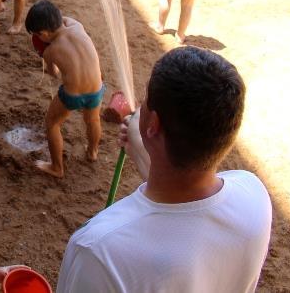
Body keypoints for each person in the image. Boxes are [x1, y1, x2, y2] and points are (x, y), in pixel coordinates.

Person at [56, 47, 272, 293]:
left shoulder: (98, 251)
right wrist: (143, 148)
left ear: (154, 124)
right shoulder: (254, 195)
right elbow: (188, 206)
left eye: (146, 99)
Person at [24, 0, 104, 179]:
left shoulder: (50, 51)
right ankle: (92, 152)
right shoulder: (77, 26)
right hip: (96, 89)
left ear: (43, 34)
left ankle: (56, 167)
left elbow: (53, 73)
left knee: (52, 123)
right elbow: (62, 20)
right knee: (92, 120)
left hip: (73, 95)